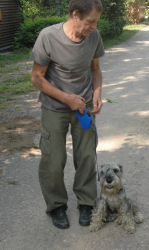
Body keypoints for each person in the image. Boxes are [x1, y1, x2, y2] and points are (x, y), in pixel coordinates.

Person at [30, 0, 105, 229]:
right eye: (90, 21)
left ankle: (86, 203)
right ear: (75, 15)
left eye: (96, 22)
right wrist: (67, 98)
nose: (93, 26)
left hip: (83, 109)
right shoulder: (48, 36)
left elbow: (95, 69)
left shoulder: (93, 36)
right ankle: (56, 206)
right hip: (55, 108)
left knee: (86, 157)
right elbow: (36, 78)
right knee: (53, 160)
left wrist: (97, 93)